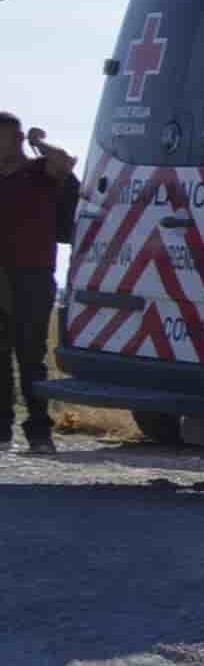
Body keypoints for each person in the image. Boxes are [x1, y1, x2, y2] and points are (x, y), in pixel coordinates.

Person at [0, 113, 79, 454]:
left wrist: (38, 141)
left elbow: (65, 161)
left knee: (30, 355)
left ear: (15, 137)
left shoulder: (39, 171)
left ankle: (39, 433)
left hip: (31, 274)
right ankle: (2, 431)